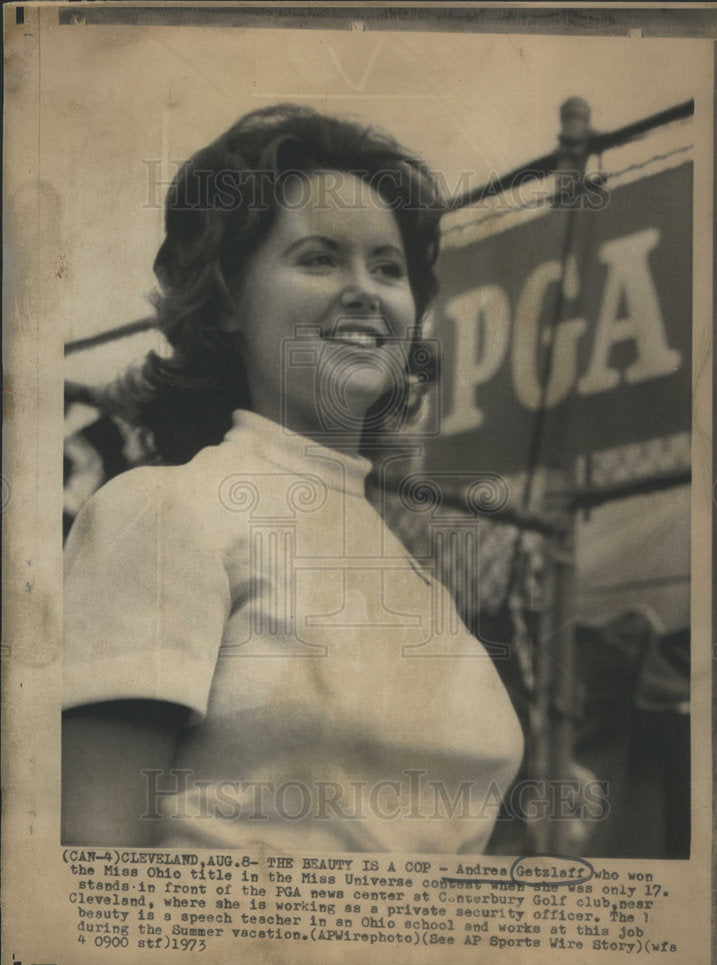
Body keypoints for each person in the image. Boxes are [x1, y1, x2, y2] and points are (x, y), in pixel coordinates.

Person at [62, 104, 523, 853]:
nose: (364, 291)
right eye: (318, 258)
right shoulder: (161, 513)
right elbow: (91, 865)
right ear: (228, 301)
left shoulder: (418, 581)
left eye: (387, 267)